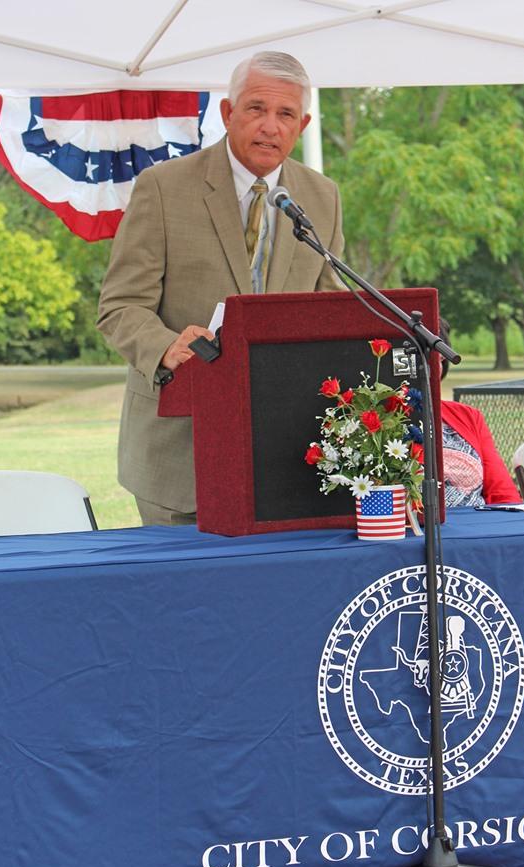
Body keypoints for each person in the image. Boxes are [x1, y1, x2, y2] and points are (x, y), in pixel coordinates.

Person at [98, 51, 344, 526]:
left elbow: (329, 308)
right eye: (256, 108)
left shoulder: (321, 196)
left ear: (303, 125)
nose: (270, 126)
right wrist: (166, 345)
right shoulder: (163, 188)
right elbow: (119, 306)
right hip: (178, 457)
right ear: (228, 113)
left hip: (286, 455)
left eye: (285, 114)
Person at [436, 321, 521, 507]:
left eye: (439, 357)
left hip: (478, 526)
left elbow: (503, 495)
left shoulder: (469, 417)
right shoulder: (375, 423)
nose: (433, 363)